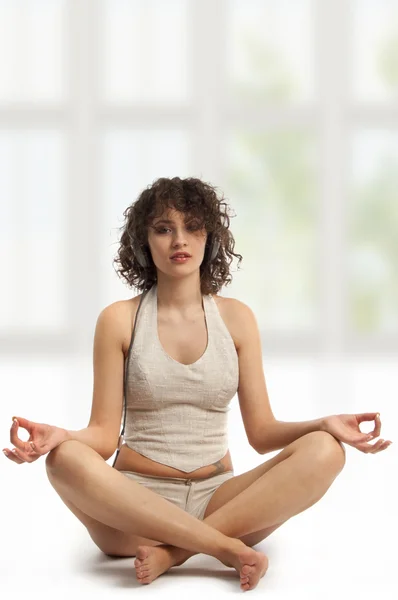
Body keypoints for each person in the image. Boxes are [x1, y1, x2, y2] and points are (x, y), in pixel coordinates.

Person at [3, 176, 392, 592]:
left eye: (192, 227)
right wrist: (62, 436)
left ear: (211, 238)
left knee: (325, 451)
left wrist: (322, 424)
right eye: (164, 228)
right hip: (134, 510)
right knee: (63, 459)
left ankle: (176, 552)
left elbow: (262, 434)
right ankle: (225, 549)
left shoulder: (237, 319)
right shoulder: (118, 319)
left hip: (221, 500)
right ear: (144, 240)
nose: (179, 241)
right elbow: (101, 436)